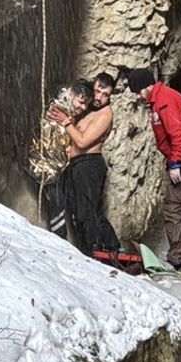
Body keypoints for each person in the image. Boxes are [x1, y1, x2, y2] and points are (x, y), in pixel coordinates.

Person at [128, 68, 181, 272]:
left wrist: (175, 164)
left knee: (173, 207)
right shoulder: (162, 98)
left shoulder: (164, 101)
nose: (138, 97)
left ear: (147, 86)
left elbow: (179, 135)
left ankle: (177, 260)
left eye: (138, 92)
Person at [47, 81, 121, 256]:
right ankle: (99, 248)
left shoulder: (105, 114)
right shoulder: (87, 110)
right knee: (80, 212)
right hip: (76, 165)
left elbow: (82, 141)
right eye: (98, 91)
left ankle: (101, 250)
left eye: (106, 95)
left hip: (89, 163)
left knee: (87, 211)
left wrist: (66, 122)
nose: (100, 97)